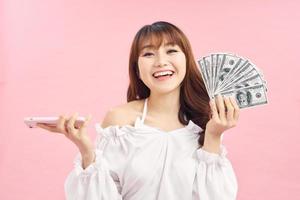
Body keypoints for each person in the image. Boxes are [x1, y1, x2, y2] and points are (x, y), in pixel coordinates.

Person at [37, 21, 240, 200]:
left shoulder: (205, 123)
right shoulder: (120, 121)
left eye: (171, 51)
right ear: (137, 69)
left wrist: (213, 136)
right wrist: (86, 150)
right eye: (148, 53)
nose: (161, 61)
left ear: (187, 60)